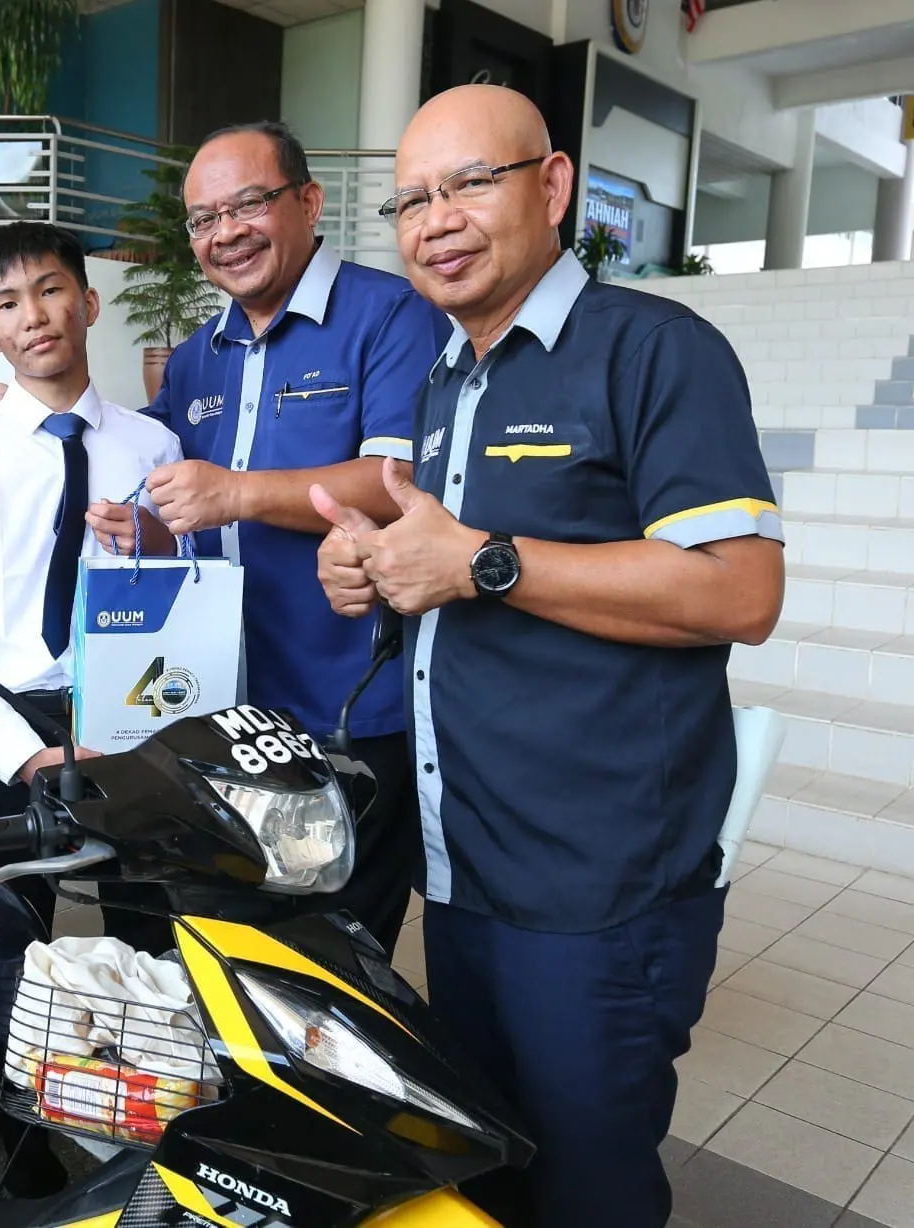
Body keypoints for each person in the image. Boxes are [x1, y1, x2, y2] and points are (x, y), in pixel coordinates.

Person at [312, 85, 785, 1228]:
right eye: (412, 199)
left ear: (554, 184)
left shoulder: (654, 350)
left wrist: (480, 562)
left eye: (470, 182)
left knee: (586, 1189)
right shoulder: (444, 380)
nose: (436, 220)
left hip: (598, 890)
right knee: (491, 1169)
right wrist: (376, 573)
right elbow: (454, 579)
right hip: (466, 876)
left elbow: (740, 590)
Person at [0, 121, 449, 957]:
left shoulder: (391, 315)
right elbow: (142, 471)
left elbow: (404, 489)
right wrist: (1, 405)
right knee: (229, 951)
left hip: (349, 707)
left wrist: (238, 495)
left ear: (308, 201)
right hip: (219, 713)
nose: (226, 233)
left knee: (338, 951)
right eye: (203, 219)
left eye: (249, 204)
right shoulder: (198, 360)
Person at [0, 220, 183, 937]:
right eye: (7, 303)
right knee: (4, 946)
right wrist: (24, 753)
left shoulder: (153, 445)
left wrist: (153, 543)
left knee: (145, 937)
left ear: (89, 305)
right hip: (7, 725)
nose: (32, 315)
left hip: (128, 721)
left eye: (50, 290)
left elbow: (182, 601)